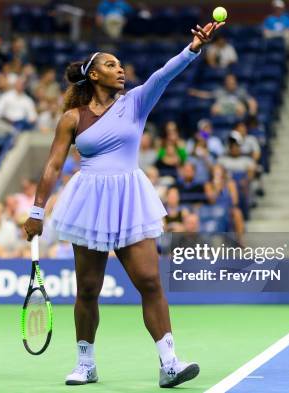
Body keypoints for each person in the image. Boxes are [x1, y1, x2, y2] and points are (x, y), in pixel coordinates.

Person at [23, 21, 224, 387]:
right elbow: (53, 165)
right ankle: (86, 364)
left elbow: (164, 75)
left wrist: (193, 46)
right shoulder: (72, 118)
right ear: (94, 74)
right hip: (88, 201)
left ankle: (169, 363)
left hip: (130, 199)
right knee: (87, 287)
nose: (121, 71)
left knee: (149, 281)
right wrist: (37, 211)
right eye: (112, 65)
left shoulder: (134, 102)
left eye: (121, 66)